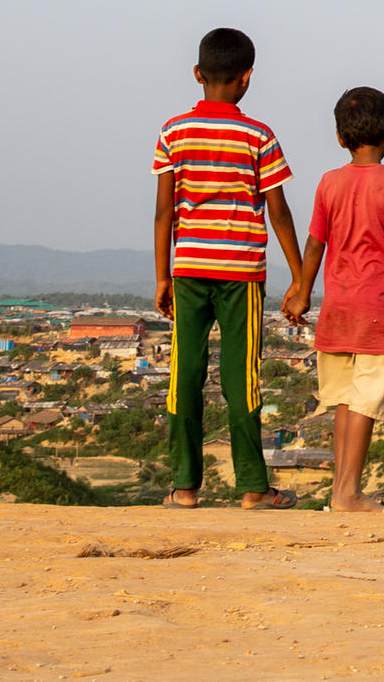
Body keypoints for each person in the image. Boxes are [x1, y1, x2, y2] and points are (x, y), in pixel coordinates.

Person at [152, 27, 305, 510]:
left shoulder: (173, 133)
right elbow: (277, 211)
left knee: (186, 375)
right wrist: (300, 278)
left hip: (188, 267)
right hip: (242, 271)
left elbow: (165, 211)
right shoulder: (258, 135)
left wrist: (162, 275)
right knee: (242, 379)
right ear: (247, 79)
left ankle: (183, 487)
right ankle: (254, 489)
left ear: (198, 74)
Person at [285, 85, 384, 514]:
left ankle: (340, 491)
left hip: (338, 307)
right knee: (366, 402)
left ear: (339, 136)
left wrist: (301, 292)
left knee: (345, 401)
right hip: (377, 308)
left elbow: (314, 245)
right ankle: (349, 494)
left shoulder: (329, 183)